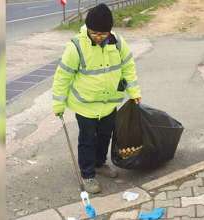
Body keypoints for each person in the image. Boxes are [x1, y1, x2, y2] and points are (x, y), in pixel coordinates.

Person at [52, 3, 141, 193]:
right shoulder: (76, 46)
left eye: (103, 34)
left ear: (110, 31)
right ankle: (88, 174)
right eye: (94, 33)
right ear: (88, 29)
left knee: (105, 136)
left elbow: (128, 68)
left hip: (109, 104)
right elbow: (63, 76)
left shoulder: (118, 43)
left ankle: (100, 164)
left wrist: (134, 93)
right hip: (85, 107)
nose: (99, 38)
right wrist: (58, 103)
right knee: (87, 140)